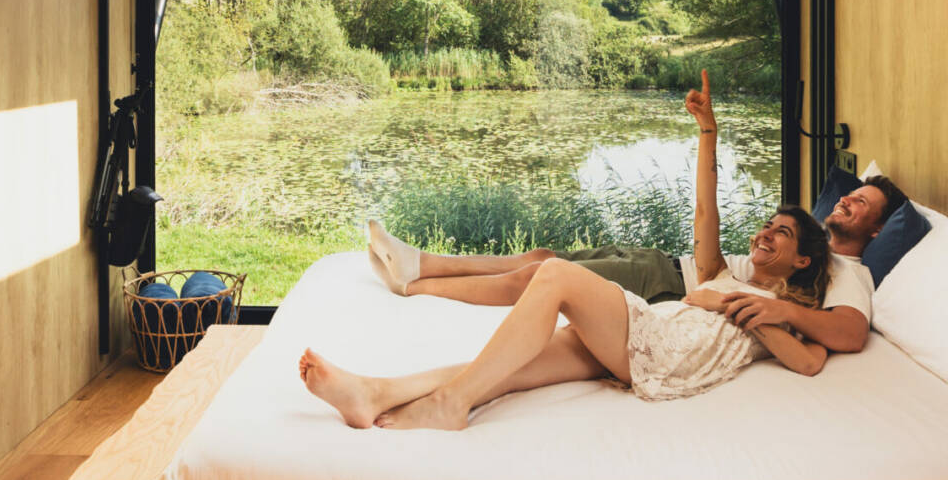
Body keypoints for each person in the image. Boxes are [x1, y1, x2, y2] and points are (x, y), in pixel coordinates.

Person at [298, 73, 835, 430]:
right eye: (766, 225)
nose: (765, 234)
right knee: (505, 365)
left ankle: (451, 404)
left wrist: (751, 313)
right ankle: (375, 392)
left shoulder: (788, 311)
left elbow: (811, 363)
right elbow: (703, 211)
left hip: (661, 350)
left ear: (803, 260)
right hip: (650, 339)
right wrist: (707, 132)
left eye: (781, 233)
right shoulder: (724, 272)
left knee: (551, 275)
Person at [366, 75, 903, 359]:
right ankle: (420, 262)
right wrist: (708, 135)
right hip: (665, 262)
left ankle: (414, 288)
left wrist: (776, 314)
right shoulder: (795, 252)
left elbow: (849, 334)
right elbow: (707, 236)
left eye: (862, 205)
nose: (847, 200)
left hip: (664, 284)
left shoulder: (846, 274)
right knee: (540, 257)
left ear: (876, 231)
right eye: (849, 194)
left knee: (535, 280)